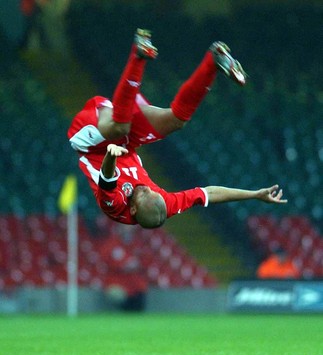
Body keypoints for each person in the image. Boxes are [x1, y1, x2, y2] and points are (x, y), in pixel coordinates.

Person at [68, 28, 287, 229]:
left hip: (91, 144)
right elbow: (209, 193)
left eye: (144, 193)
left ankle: (139, 53)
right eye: (153, 191)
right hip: (126, 142)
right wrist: (255, 195)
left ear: (133, 209)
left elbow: (106, 179)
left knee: (120, 127)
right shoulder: (164, 201)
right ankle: (213, 61)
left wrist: (110, 156)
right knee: (176, 121)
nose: (147, 188)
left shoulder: (115, 207)